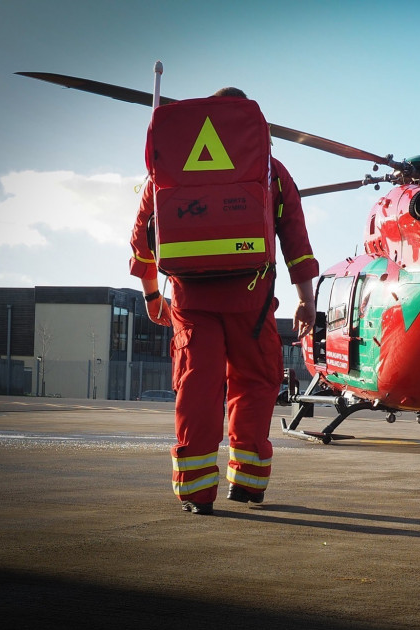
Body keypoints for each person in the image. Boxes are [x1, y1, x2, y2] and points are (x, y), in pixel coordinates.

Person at [129, 87, 318, 515]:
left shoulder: (165, 172)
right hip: (251, 300)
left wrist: (152, 294)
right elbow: (296, 240)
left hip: (190, 299)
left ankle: (196, 492)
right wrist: (305, 299)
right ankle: (248, 483)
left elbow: (142, 238)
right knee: (255, 384)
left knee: (197, 386)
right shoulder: (271, 171)